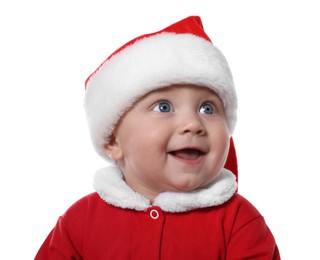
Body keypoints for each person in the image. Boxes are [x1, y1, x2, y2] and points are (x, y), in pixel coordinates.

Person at [35, 16, 280, 259]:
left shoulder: (240, 222)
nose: (194, 124)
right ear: (113, 141)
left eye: (208, 108)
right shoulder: (79, 222)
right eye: (163, 107)